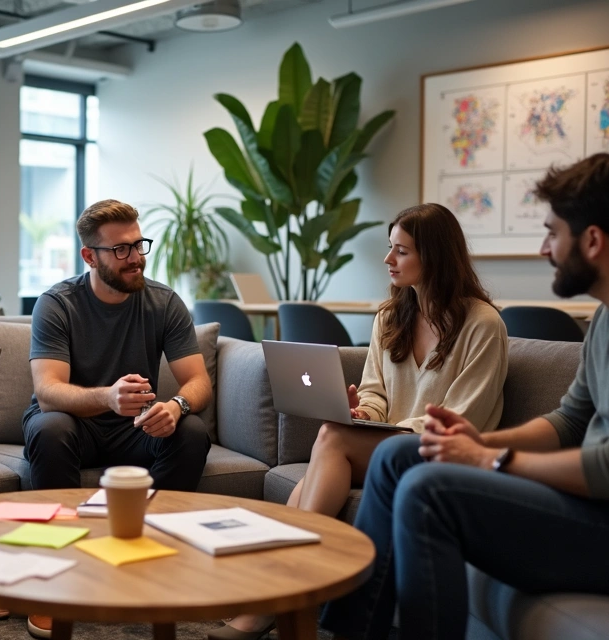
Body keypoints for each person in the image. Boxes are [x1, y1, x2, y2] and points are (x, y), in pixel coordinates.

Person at [321, 153, 609, 639]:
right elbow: (570, 420)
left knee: (428, 489)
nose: (545, 248)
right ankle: (348, 633)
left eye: (552, 233)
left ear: (593, 241)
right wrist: (477, 439)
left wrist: (487, 460)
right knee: (398, 454)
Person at [211, 203, 508, 640]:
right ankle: (281, 598)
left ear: (436, 256)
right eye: (390, 249)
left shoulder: (482, 325)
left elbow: (464, 419)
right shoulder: (391, 317)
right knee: (331, 439)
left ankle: (280, 594)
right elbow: (374, 392)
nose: (388, 260)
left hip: (442, 454)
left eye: (401, 251)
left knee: (331, 439)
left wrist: (378, 431)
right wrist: (364, 415)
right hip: (388, 446)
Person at [22, 199, 213, 638]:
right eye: (122, 250)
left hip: (133, 427)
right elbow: (48, 391)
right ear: (90, 256)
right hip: (73, 422)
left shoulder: (163, 302)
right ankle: (55, 579)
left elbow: (198, 382)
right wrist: (107, 397)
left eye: (139, 245)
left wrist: (176, 406)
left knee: (191, 433)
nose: (137, 257)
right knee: (50, 429)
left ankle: (149, 560)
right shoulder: (57, 303)